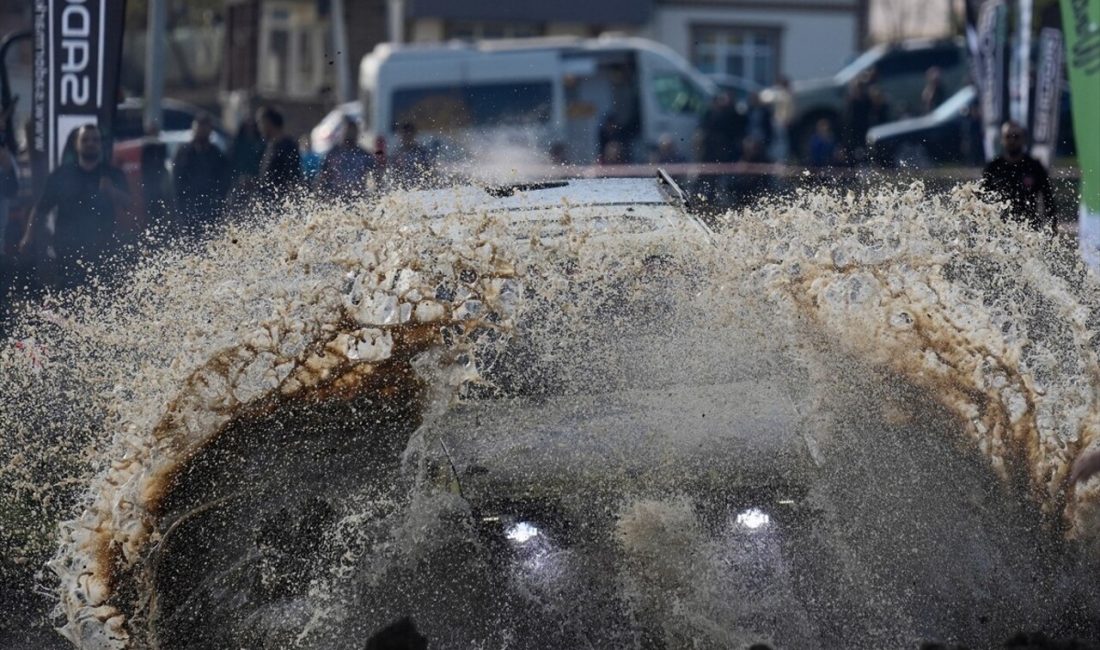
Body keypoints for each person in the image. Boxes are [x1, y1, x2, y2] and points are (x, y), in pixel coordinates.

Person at [17, 124, 129, 288]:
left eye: (95, 140)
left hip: (103, 251)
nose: (90, 143)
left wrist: (112, 191)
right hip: (68, 251)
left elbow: (129, 203)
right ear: (76, 144)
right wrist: (28, 237)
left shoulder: (112, 174)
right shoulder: (62, 174)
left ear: (101, 144)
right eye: (85, 140)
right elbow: (41, 208)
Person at [981, 121, 1057, 233]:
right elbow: (981, 198)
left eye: (1016, 137)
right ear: (1002, 140)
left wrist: (1052, 227)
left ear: (1023, 139)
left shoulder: (1034, 166)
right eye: (1008, 136)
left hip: (1029, 229)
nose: (1012, 140)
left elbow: (1048, 199)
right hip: (999, 229)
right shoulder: (993, 167)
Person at [172, 112, 229, 235]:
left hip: (210, 207)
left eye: (205, 128)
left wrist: (219, 203)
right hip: (189, 207)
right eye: (199, 128)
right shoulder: (184, 152)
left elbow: (224, 180)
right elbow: (177, 182)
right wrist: (180, 209)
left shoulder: (216, 153)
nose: (202, 131)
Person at [314, 117, 376, 200]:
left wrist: (376, 194)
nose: (351, 133)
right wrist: (319, 193)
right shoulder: (333, 153)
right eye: (348, 130)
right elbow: (323, 174)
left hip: (357, 197)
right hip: (335, 197)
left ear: (357, 133)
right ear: (343, 132)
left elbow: (376, 174)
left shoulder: (363, 154)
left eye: (353, 131)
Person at [255, 106, 303, 205]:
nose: (259, 128)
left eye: (261, 123)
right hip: (268, 203)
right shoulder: (270, 146)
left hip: (282, 203)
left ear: (268, 122)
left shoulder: (287, 146)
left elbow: (293, 176)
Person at [698, 92, 745, 163]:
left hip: (725, 143)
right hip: (712, 143)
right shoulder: (710, 114)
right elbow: (705, 126)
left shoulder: (731, 113)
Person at [387, 122, 433, 189]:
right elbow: (392, 175)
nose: (407, 137)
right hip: (402, 191)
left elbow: (429, 172)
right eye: (405, 134)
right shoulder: (396, 153)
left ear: (414, 135)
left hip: (419, 189)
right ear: (401, 135)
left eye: (409, 134)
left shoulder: (421, 152)